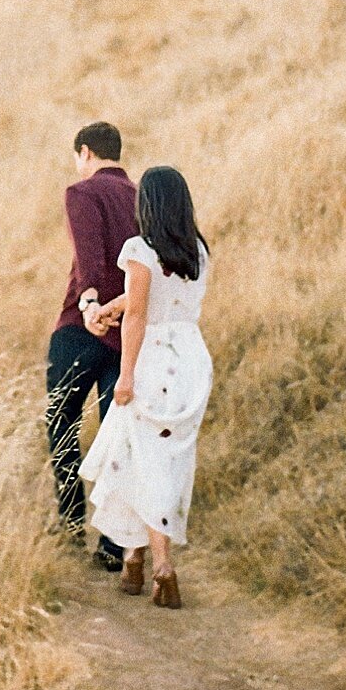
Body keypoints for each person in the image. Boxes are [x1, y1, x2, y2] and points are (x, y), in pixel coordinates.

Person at [80, 165, 212, 609]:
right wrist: (116, 307)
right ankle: (134, 560)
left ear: (147, 205)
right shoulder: (197, 249)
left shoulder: (139, 248)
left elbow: (139, 314)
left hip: (154, 361)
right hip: (190, 360)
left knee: (143, 459)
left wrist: (126, 374)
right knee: (155, 460)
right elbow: (153, 297)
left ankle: (161, 568)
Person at [46, 121, 139, 571]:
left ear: (85, 153)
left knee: (61, 419)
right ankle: (114, 544)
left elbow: (90, 255)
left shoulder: (82, 192)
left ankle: (70, 521)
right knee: (116, 434)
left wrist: (88, 303)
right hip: (130, 333)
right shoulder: (144, 196)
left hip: (84, 327)